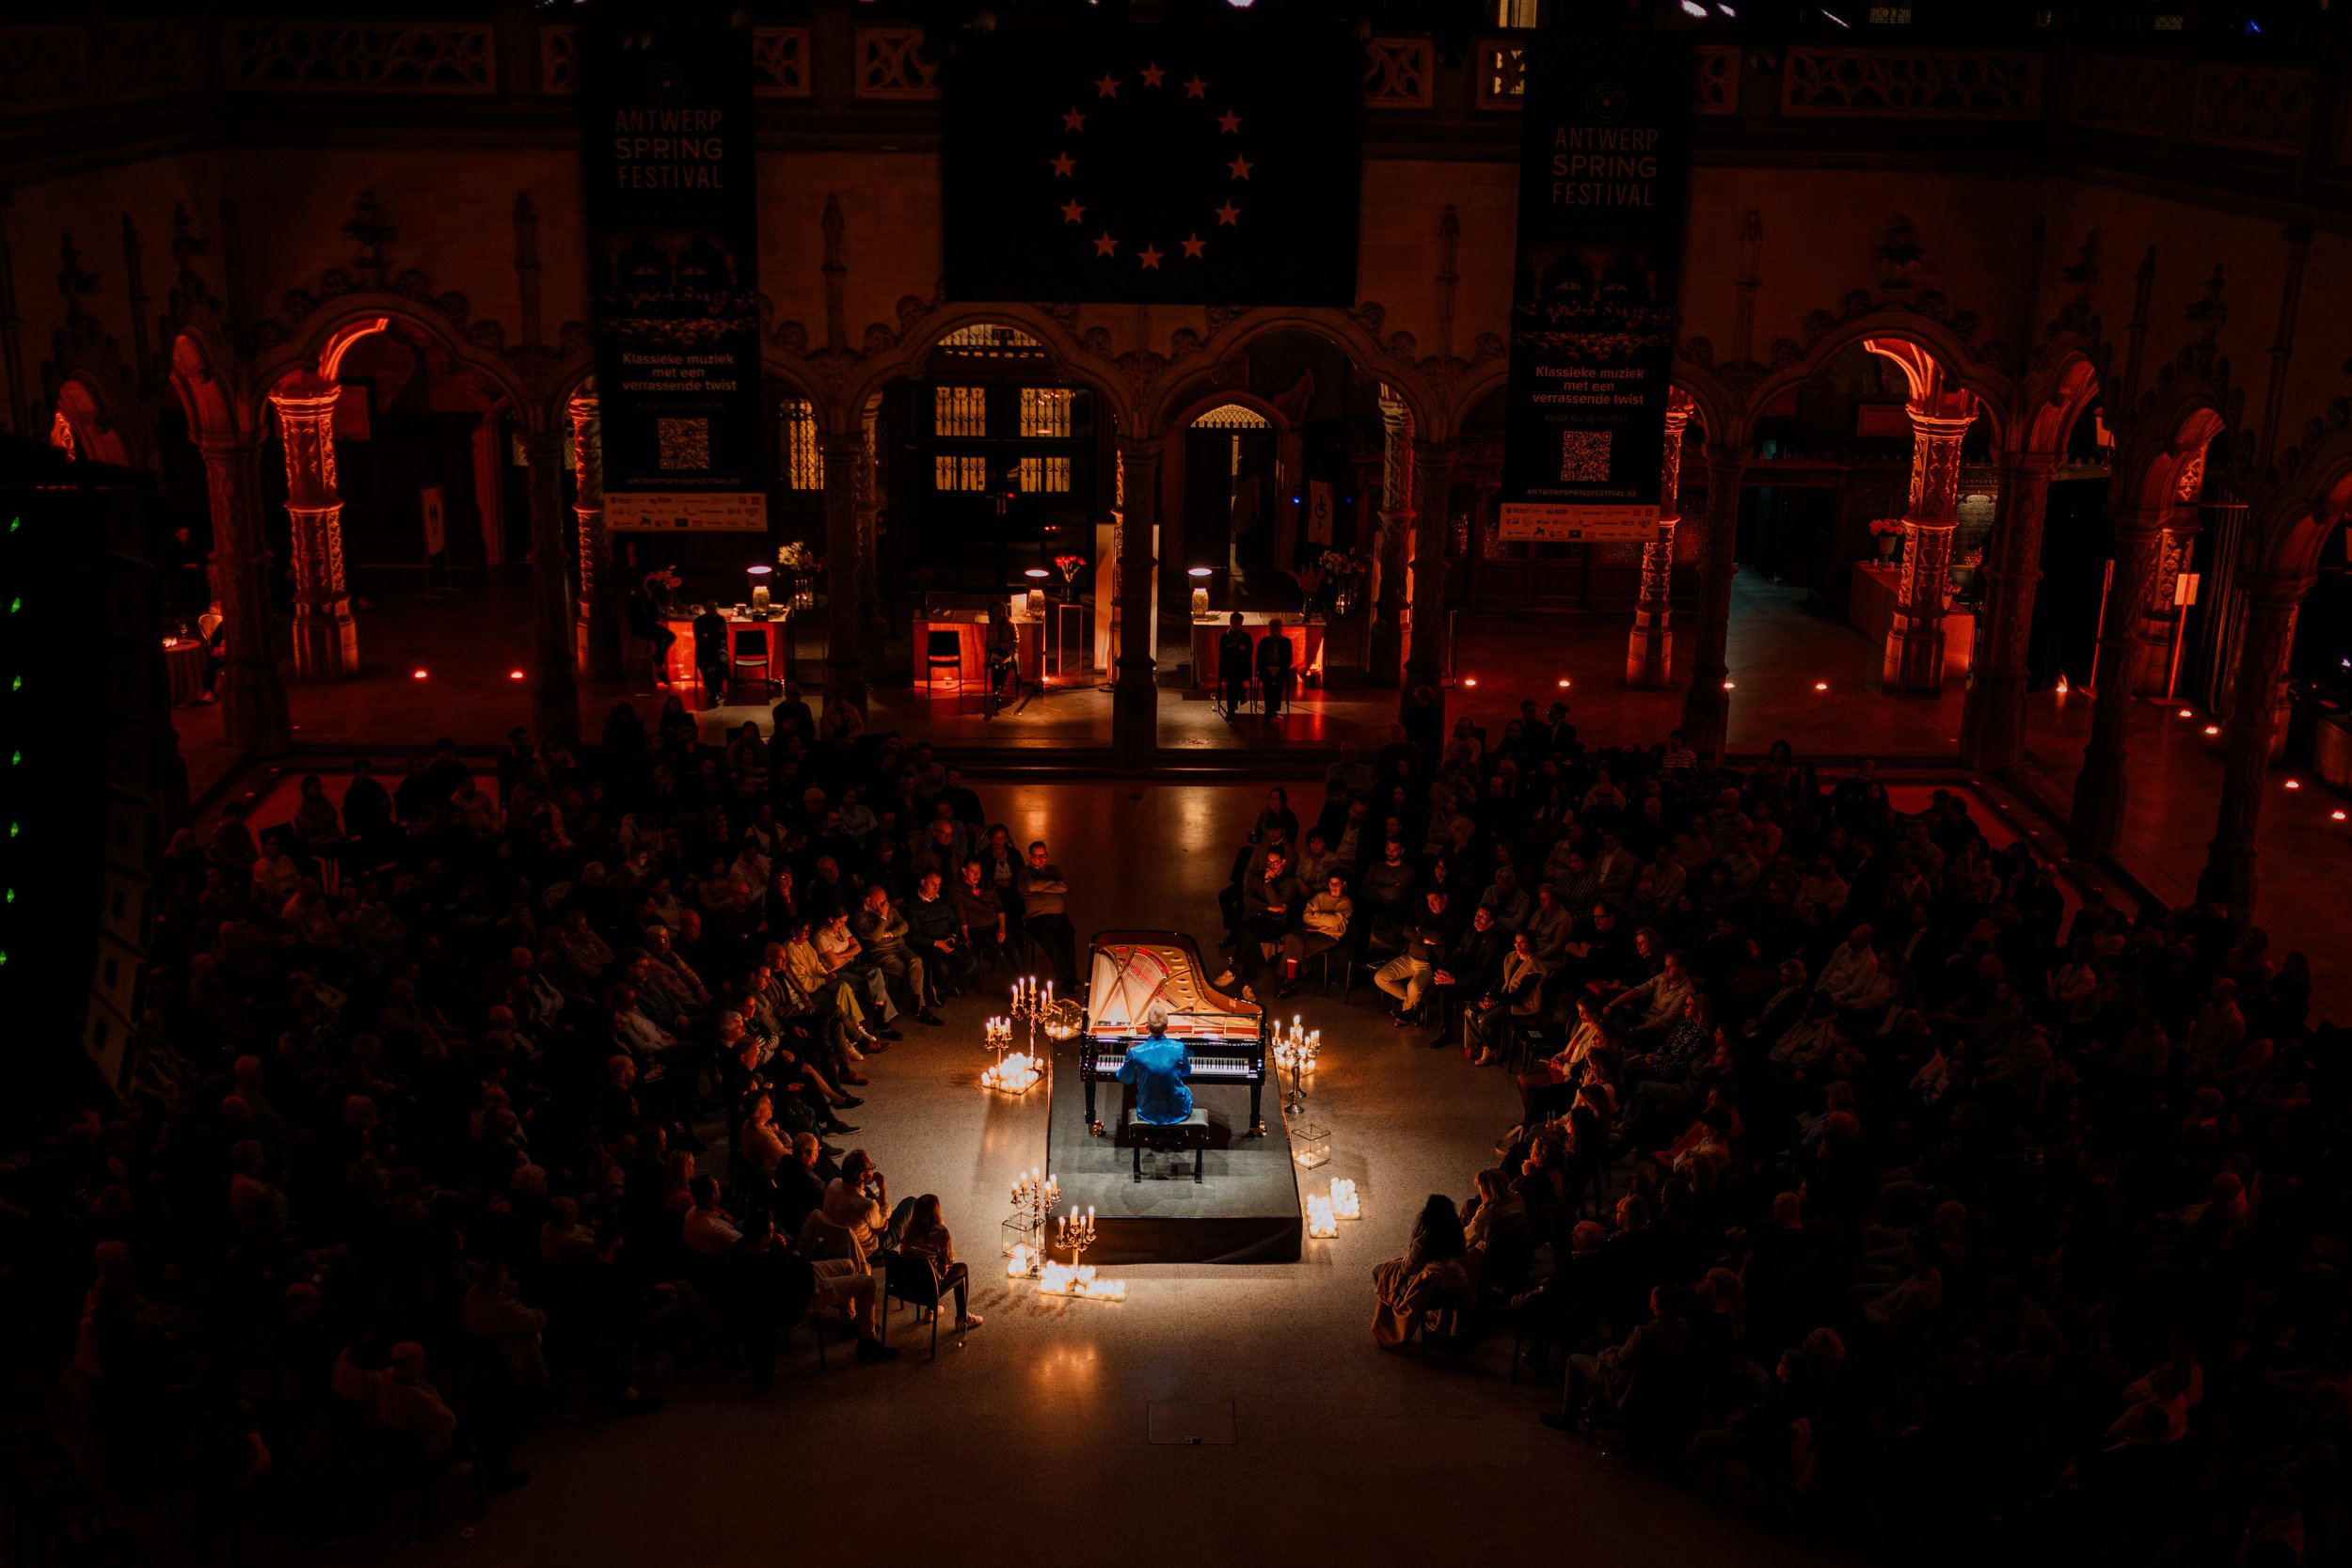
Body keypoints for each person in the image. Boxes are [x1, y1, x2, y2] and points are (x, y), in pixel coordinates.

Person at [1371, 1195, 1471, 1349]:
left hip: (1425, 1291)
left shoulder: (1424, 1241)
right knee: (1391, 1267)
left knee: (1380, 1271)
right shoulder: (1457, 1235)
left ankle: (1388, 1326)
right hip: (1448, 1287)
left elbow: (1408, 1269)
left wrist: (1403, 1260)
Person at [900, 1194, 982, 1331]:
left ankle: (930, 1310)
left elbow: (904, 1252)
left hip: (909, 1283)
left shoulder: (909, 1229)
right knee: (961, 1269)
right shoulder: (941, 1232)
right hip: (929, 1285)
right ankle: (962, 1319)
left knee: (923, 1266)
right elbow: (949, 1259)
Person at [1016, 839, 1078, 990]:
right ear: (1030, 857)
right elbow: (1030, 886)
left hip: (1058, 917)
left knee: (1068, 937)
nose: (1041, 859)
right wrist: (1051, 884)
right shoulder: (1024, 872)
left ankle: (1069, 978)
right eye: (1037, 856)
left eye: (1043, 856)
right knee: (1051, 943)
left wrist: (1040, 886)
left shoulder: (1053, 870)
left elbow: (1063, 887)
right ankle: (1068, 978)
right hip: (1037, 918)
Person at [1116, 1015, 1193, 1125]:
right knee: (1186, 1089)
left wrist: (1129, 1055)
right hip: (1178, 1112)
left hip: (1148, 1112)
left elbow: (1125, 1078)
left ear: (1146, 1027)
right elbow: (1186, 1072)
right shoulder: (1179, 1047)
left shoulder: (1136, 1052)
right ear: (1167, 1027)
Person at [1255, 618, 1295, 723]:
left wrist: (1279, 668)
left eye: (1277, 628)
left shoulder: (1286, 642)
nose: (1275, 630)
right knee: (1267, 684)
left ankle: (1273, 708)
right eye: (1273, 628)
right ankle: (1269, 709)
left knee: (1278, 683)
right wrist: (1267, 667)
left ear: (1281, 629)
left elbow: (1289, 660)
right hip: (1266, 668)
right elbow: (1259, 659)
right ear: (1269, 629)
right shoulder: (1264, 642)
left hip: (1280, 668)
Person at [1216, 611, 1254, 719]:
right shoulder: (1224, 636)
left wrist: (1232, 648)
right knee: (1233, 679)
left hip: (1242, 667)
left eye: (1237, 623)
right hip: (1228, 667)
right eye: (1233, 622)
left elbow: (1248, 652)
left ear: (1241, 624)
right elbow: (1223, 652)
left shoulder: (1246, 636)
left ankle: (1231, 711)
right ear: (1230, 622)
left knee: (1232, 682)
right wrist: (1239, 649)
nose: (1235, 625)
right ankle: (1241, 691)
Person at [691, 603, 729, 707]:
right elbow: (700, 637)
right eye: (712, 608)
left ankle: (713, 692)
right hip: (704, 649)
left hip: (718, 648)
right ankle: (715, 692)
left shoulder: (720, 619)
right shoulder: (699, 621)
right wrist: (715, 634)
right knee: (703, 666)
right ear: (705, 609)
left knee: (723, 664)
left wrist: (709, 634)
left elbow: (724, 635)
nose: (714, 610)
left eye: (716, 607)